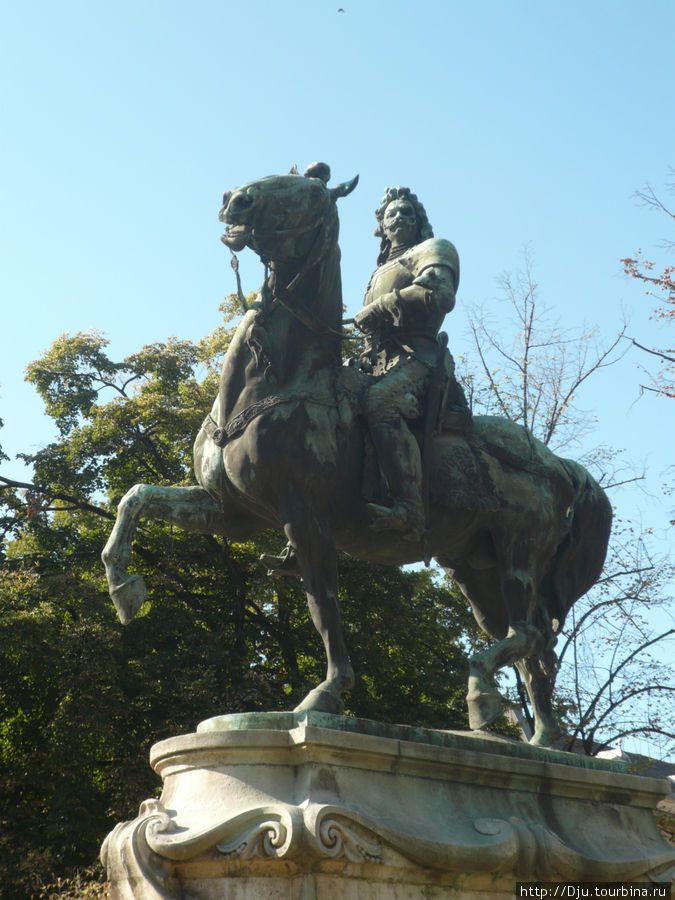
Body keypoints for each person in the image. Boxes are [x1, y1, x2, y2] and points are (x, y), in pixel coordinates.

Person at [353, 186, 469, 542]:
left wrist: (379, 307)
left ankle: (409, 509)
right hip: (372, 362)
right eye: (392, 214)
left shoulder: (433, 250)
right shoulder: (380, 270)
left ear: (419, 222)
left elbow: (441, 295)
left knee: (380, 404)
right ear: (382, 227)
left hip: (419, 359)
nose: (399, 218)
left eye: (407, 213)